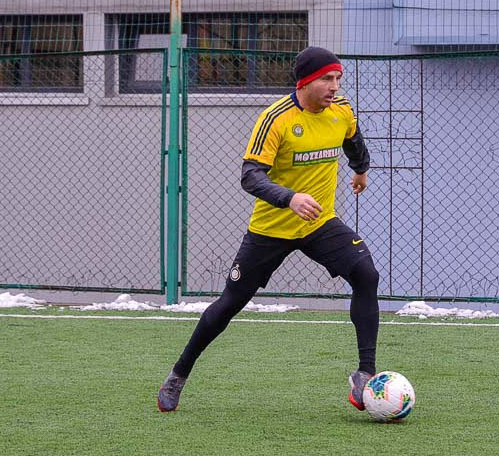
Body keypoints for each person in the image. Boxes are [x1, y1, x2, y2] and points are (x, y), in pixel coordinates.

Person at [157, 46, 380, 413]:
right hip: (271, 228)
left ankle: (364, 376)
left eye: (338, 79)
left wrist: (360, 169)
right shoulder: (275, 119)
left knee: (366, 274)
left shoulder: (341, 110)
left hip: (320, 222)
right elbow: (250, 175)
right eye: (327, 79)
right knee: (230, 304)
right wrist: (290, 198)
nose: (335, 87)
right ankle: (179, 373)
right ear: (305, 81)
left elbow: (353, 140)